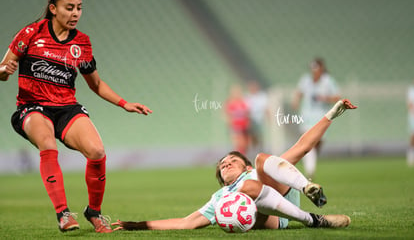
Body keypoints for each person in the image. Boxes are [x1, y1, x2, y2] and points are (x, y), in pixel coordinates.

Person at [0, 0, 152, 233]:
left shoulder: (81, 43)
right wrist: (3, 72)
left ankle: (94, 212)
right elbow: (3, 69)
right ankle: (63, 214)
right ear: (53, 9)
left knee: (97, 151)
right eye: (69, 8)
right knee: (47, 143)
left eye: (79, 8)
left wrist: (125, 103)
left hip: (67, 108)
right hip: (32, 107)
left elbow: (97, 84)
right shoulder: (29, 33)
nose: (75, 13)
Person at [112, 99, 356, 231]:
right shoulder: (220, 196)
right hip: (267, 218)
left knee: (263, 160)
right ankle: (313, 219)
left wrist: (330, 115)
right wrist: (138, 225)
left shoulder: (257, 171)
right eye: (222, 165)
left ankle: (307, 190)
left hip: (277, 194)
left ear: (244, 166)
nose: (225, 163)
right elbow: (187, 222)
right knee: (250, 185)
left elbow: (302, 147)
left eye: (232, 160)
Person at [291, 57, 340, 179]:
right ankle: (310, 171)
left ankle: (310, 162)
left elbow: (337, 97)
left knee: (317, 143)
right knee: (308, 141)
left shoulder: (328, 81)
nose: (314, 71)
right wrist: (296, 101)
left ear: (321, 68)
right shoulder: (305, 80)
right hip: (307, 116)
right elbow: (299, 92)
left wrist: (325, 98)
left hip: (322, 116)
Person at [224, 85, 250, 155]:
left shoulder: (243, 102)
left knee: (244, 143)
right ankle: (239, 156)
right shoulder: (230, 103)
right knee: (238, 142)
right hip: (235, 126)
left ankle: (242, 155)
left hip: (243, 125)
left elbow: (247, 113)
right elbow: (227, 115)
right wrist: (231, 124)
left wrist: (247, 122)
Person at [244, 81, 269, 154]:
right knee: (252, 136)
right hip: (250, 120)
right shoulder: (247, 97)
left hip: (259, 120)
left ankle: (259, 149)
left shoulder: (262, 96)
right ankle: (254, 150)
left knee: (258, 136)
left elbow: (266, 108)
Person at [407, 81, 414, 166]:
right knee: (413, 135)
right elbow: (410, 105)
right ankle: (411, 155)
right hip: (413, 116)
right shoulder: (411, 90)